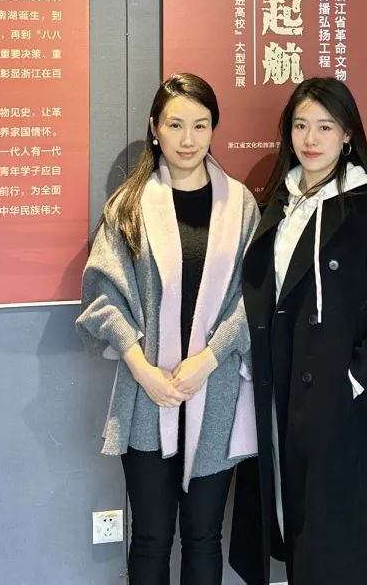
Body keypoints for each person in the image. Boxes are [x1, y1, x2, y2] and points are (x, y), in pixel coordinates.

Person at [229, 77, 367, 585]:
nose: (310, 139)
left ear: (348, 134)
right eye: (300, 126)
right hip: (283, 392)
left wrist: (356, 377)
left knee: (344, 533)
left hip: (343, 401)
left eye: (324, 126)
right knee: (299, 524)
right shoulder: (279, 201)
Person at [76, 73, 260, 585]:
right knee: (151, 537)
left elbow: (254, 298)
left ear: (213, 129)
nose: (188, 139)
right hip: (146, 394)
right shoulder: (129, 205)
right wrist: (143, 370)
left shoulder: (241, 206)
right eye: (175, 125)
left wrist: (208, 360)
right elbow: (103, 296)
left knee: (204, 535)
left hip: (215, 391)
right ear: (154, 127)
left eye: (200, 125)